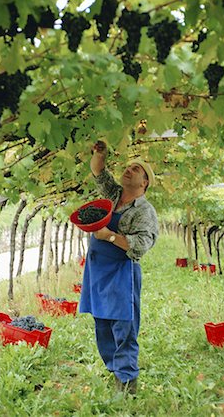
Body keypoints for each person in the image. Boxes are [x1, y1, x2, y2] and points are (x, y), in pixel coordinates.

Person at [79, 140, 158, 395]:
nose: (129, 169)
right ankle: (115, 371)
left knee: (123, 327)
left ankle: (127, 383)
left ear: (144, 182)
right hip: (98, 271)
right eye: (129, 166)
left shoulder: (145, 211)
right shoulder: (113, 195)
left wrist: (110, 236)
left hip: (122, 273)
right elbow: (98, 172)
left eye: (136, 169)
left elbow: (142, 245)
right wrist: (100, 154)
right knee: (102, 323)